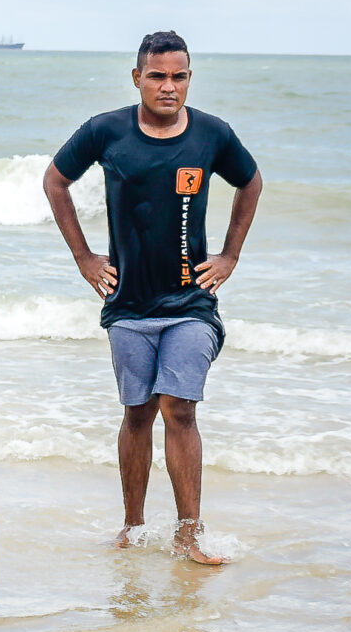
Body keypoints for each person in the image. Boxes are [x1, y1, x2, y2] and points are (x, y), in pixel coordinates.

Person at [42, 31, 263, 565]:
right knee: (138, 413)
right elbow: (55, 181)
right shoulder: (106, 131)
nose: (169, 86)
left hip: (190, 305)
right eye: (158, 75)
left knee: (178, 408)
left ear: (189, 78)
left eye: (179, 76)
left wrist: (230, 255)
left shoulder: (213, 135)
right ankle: (133, 528)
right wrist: (84, 258)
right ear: (137, 76)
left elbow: (250, 183)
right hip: (128, 306)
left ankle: (190, 533)